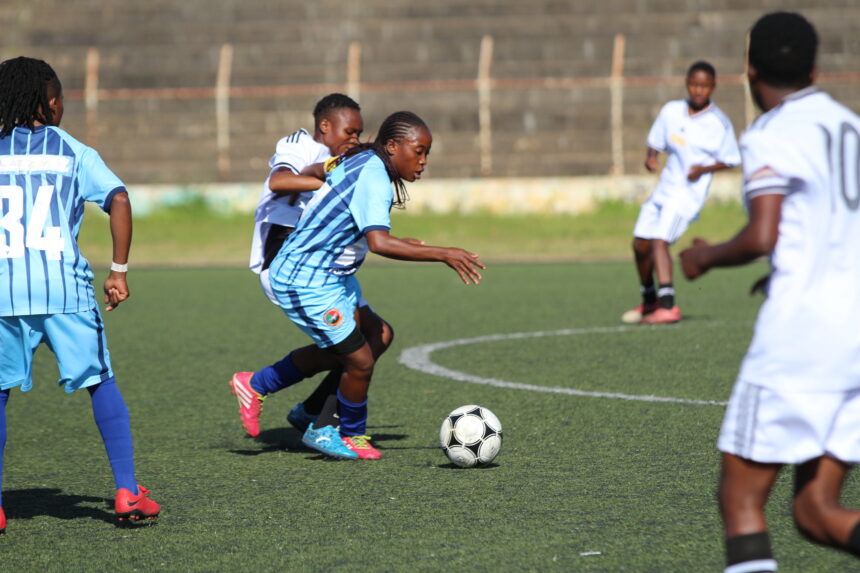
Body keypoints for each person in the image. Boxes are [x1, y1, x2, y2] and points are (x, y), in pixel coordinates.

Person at [680, 12, 860, 571]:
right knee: (815, 510)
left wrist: (704, 256)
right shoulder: (850, 126)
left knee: (740, 500)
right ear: (814, 68)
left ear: (749, 70)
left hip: (803, 338)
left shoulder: (769, 134)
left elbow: (763, 234)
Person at [235, 111, 484, 460]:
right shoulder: (375, 175)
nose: (424, 161)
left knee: (379, 335)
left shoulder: (360, 157)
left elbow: (312, 176)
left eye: (427, 153)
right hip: (304, 277)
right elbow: (379, 243)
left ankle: (278, 395)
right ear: (393, 146)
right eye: (419, 151)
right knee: (359, 360)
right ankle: (338, 431)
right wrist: (443, 253)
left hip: (332, 276)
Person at [0, 56, 159, 532]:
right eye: (60, 97)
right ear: (50, 103)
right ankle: (128, 490)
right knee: (100, 382)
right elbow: (119, 199)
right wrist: (119, 271)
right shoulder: (73, 151)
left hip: (3, 292)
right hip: (63, 290)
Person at [233, 94, 373, 438]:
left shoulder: (341, 159)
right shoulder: (300, 146)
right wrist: (330, 179)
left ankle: (311, 412)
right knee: (350, 353)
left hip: (323, 267)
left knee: (377, 336)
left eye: (359, 134)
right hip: (286, 264)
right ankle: (258, 384)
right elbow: (279, 182)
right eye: (349, 132)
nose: (353, 139)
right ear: (325, 126)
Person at [621, 60, 741, 325]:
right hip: (664, 190)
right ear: (687, 84)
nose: (699, 90)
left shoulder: (718, 123)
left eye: (704, 86)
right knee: (640, 245)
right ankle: (649, 300)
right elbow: (655, 142)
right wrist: (651, 158)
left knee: (660, 241)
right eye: (694, 85)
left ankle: (668, 306)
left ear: (713, 87)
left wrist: (705, 168)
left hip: (687, 197)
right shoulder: (671, 111)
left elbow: (732, 159)